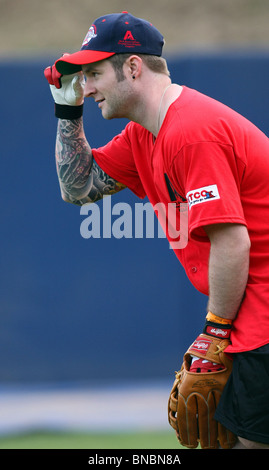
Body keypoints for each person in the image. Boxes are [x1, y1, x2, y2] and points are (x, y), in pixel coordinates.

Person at [44, 12, 269, 449]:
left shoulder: (190, 130)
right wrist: (66, 108)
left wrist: (216, 331)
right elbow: (79, 187)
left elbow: (232, 241)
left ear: (132, 68)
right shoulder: (143, 135)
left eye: (93, 74)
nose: (87, 87)